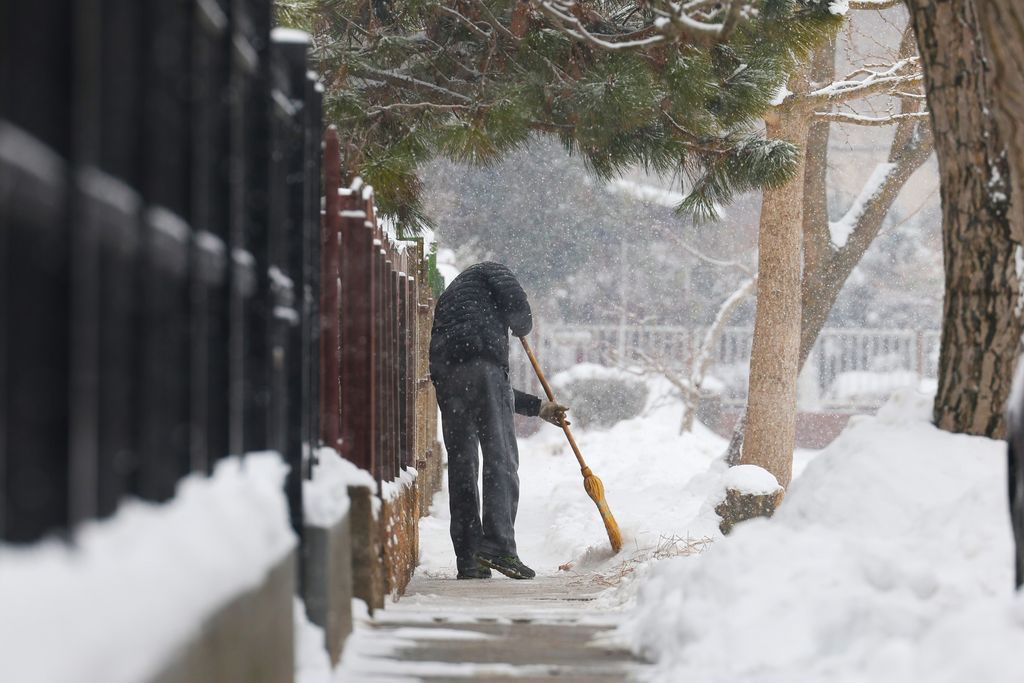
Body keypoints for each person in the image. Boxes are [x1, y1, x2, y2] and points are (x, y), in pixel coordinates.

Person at [429, 262, 568, 580]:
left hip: (446, 376)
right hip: (482, 367)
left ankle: (470, 557)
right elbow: (521, 318)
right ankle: (499, 547)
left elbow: (494, 390)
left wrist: (539, 408)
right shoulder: (496, 271)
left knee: (463, 466)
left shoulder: (456, 299)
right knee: (500, 458)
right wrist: (520, 323)